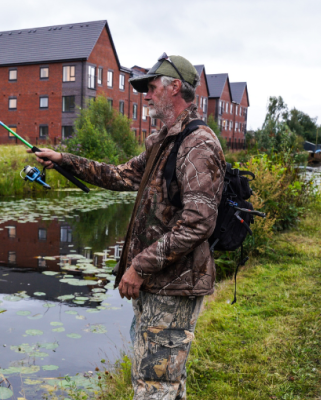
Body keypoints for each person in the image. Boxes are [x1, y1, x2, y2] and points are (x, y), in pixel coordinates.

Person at [29, 53, 226, 399]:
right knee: (165, 383)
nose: (145, 95)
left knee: (155, 386)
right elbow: (118, 174)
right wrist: (64, 160)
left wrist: (138, 265)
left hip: (174, 287)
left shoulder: (198, 145)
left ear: (174, 87)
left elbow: (198, 223)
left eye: (151, 87)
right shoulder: (162, 141)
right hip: (159, 284)